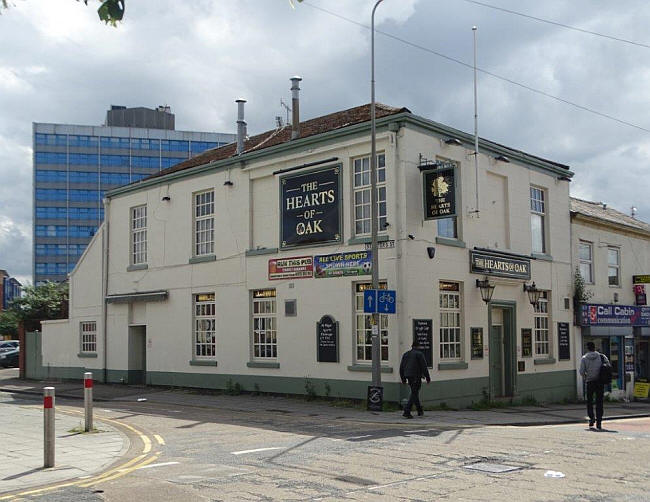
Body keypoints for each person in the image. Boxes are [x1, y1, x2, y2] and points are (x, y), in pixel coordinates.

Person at [579, 342, 609, 430]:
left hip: (590, 382)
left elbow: (581, 372)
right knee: (599, 402)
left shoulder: (584, 358)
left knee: (590, 401)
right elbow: (608, 366)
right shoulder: (602, 356)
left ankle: (591, 418)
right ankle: (599, 422)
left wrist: (586, 376)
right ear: (594, 348)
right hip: (600, 382)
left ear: (587, 348)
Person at [399, 342, 431, 418]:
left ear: (412, 346)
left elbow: (401, 367)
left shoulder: (406, 354)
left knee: (414, 392)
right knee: (414, 393)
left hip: (408, 376)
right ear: (418, 346)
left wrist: (403, 379)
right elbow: (424, 366)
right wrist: (428, 377)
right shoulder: (419, 354)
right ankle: (407, 410)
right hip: (416, 376)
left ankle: (419, 410)